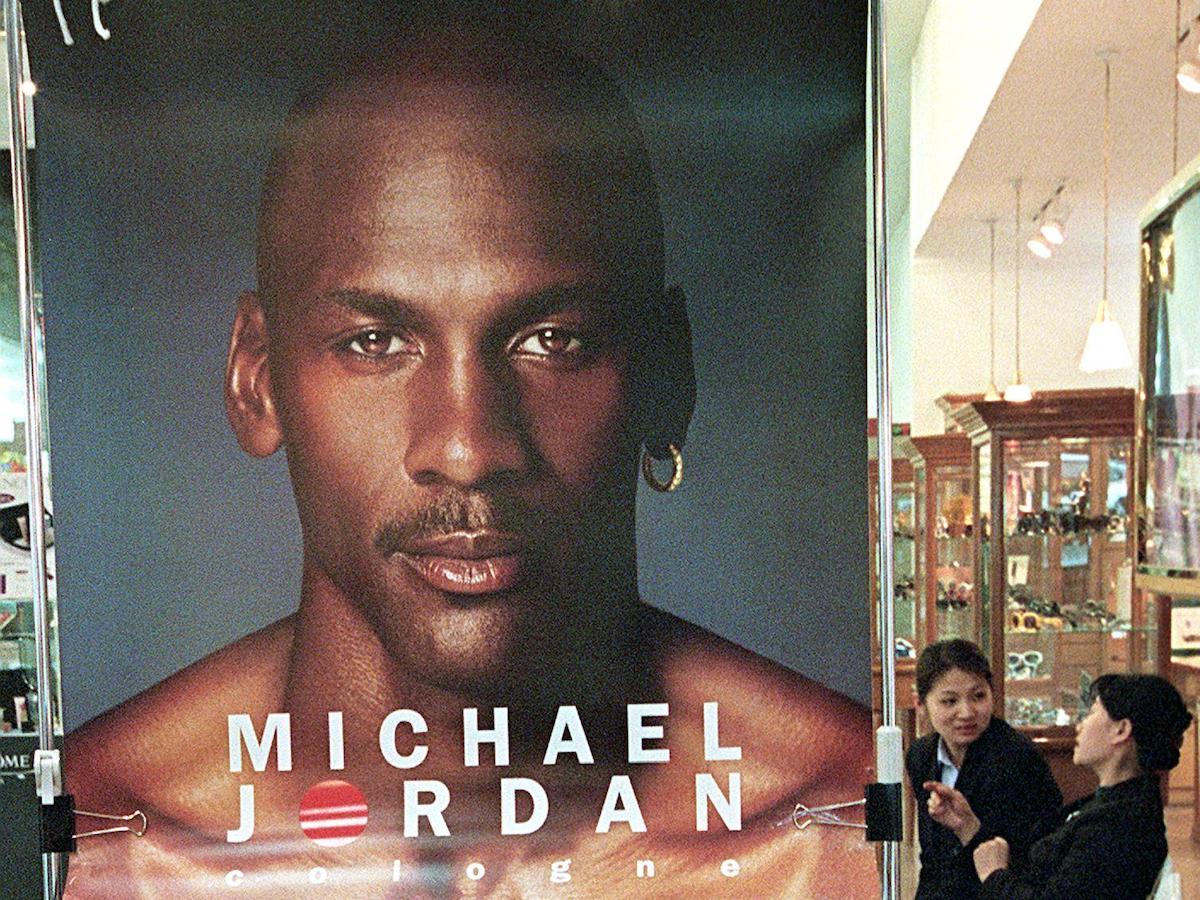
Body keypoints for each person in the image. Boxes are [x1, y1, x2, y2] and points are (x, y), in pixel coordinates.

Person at [60, 26, 876, 899]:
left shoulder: (830, 829)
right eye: (375, 342)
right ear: (256, 379)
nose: (467, 449)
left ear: (666, 376)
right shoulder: (103, 837)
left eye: (552, 340)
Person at [927, 674, 1193, 900]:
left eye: (1092, 713)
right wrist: (969, 828)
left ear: (1121, 730)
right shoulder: (1110, 805)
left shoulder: (1118, 827)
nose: (1081, 725)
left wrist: (995, 877)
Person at [906, 639, 1061, 899]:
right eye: (949, 701)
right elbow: (933, 861)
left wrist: (971, 831)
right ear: (921, 705)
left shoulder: (1018, 758)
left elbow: (1035, 858)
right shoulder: (921, 755)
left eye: (978, 696)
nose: (966, 713)